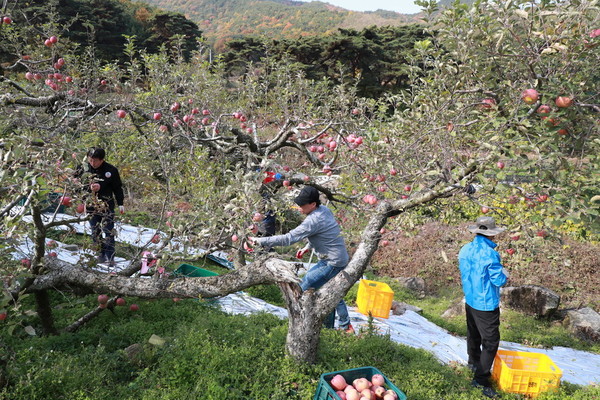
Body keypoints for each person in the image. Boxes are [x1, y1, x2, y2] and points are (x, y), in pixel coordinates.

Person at [248, 185, 354, 333]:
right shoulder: (324, 211)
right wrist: (307, 247)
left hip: (333, 262)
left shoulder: (313, 220)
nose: (299, 208)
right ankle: (338, 327)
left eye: (302, 205)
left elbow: (288, 239)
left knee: (303, 287)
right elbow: (324, 234)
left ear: (313, 204)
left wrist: (260, 240)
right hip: (332, 258)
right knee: (330, 291)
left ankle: (299, 327)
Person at [458, 216, 509, 398]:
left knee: (473, 334)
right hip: (486, 303)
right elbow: (498, 280)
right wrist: (505, 275)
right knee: (490, 341)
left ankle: (473, 363)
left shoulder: (465, 249)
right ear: (492, 235)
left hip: (470, 299)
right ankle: (481, 380)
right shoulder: (490, 254)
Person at [83, 148, 125, 265]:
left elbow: (117, 188)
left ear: (102, 160)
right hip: (91, 205)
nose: (93, 163)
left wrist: (120, 203)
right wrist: (87, 189)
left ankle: (110, 257)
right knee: (95, 230)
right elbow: (76, 185)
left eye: (95, 161)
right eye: (90, 160)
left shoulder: (111, 170)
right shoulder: (84, 168)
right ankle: (99, 255)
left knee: (108, 230)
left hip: (106, 205)